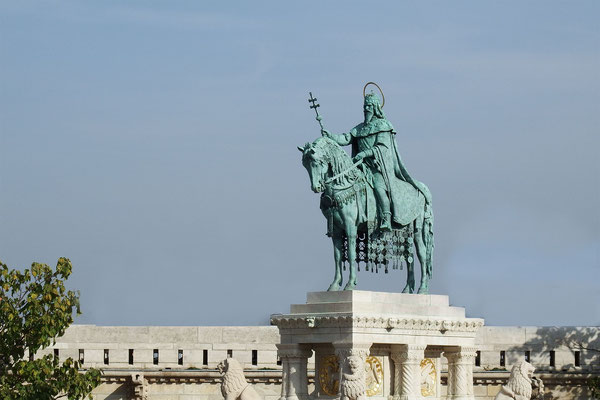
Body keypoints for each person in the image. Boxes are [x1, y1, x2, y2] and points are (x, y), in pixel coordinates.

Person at [322, 93, 430, 231]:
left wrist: (364, 153)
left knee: (379, 188)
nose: (366, 109)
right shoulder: (359, 128)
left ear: (375, 107)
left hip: (378, 168)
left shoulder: (383, 125)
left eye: (369, 106)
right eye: (364, 106)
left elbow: (382, 147)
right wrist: (331, 136)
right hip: (360, 167)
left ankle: (386, 218)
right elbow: (346, 138)